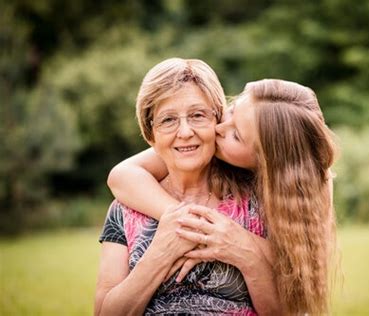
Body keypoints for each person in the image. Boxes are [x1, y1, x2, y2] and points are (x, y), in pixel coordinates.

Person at [108, 78, 338, 315]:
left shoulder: (309, 187)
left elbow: (299, 271)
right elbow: (121, 176)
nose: (219, 128)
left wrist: (242, 245)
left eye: (236, 136)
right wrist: (190, 222)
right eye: (232, 110)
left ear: (267, 163)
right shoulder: (196, 143)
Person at [94, 58, 279, 316]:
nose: (184, 132)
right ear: (151, 135)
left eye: (198, 115)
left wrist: (246, 254)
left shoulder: (257, 201)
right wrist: (159, 255)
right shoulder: (124, 209)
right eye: (168, 120)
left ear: (217, 120)